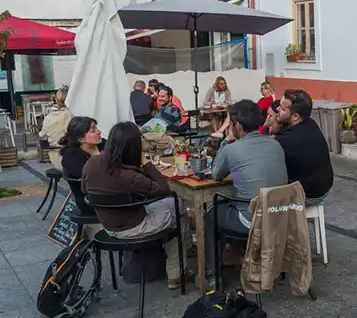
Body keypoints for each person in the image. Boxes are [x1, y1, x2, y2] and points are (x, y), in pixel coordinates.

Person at [81, 122, 194, 289]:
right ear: (134, 147)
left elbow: (85, 190)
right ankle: (177, 271)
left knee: (173, 208)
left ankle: (178, 259)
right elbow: (164, 188)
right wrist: (145, 161)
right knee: (178, 206)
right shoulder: (129, 176)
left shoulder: (92, 163)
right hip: (133, 227)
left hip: (107, 225)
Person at [204, 100, 288, 275]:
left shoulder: (232, 149)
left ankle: (211, 272)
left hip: (250, 221)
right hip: (279, 216)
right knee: (234, 203)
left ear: (238, 126)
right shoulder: (276, 144)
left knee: (211, 213)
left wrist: (226, 141)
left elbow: (216, 175)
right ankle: (233, 255)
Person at [276, 89, 333, 205]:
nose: (277, 109)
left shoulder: (289, 139)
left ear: (295, 116)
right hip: (324, 186)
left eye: (282, 109)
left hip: (309, 194)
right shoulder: (310, 123)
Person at [60, 116, 101, 217]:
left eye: (97, 128)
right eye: (93, 131)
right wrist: (97, 156)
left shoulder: (102, 144)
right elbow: (96, 177)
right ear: (81, 138)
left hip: (109, 194)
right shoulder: (71, 157)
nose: (99, 132)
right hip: (89, 202)